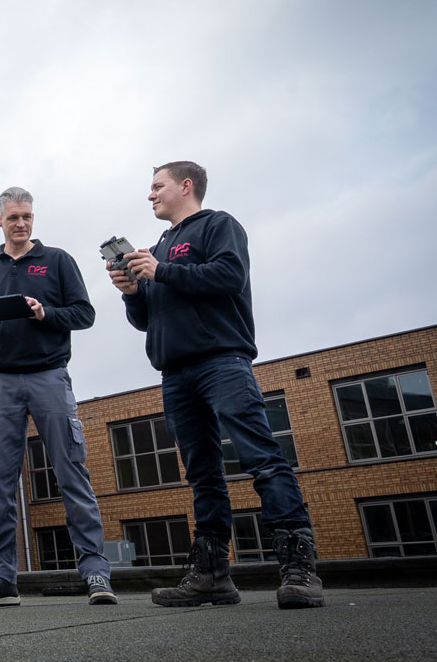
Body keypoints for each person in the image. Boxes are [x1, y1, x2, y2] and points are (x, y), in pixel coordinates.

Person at [107, 161, 324, 609]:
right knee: (203, 475)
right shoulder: (158, 248)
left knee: (261, 459)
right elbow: (147, 319)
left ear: (185, 186)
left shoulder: (218, 226)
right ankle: (211, 576)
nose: (150, 195)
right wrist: (133, 292)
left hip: (221, 361)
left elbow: (228, 277)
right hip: (175, 372)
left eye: (157, 187)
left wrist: (161, 271)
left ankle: (299, 569)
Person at [0, 186, 115, 608]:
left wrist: (45, 312)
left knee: (72, 475)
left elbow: (84, 314)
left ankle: (97, 574)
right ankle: (2, 578)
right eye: (13, 217)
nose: (21, 223)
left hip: (49, 376)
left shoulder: (58, 261)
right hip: (0, 382)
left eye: (27, 216)